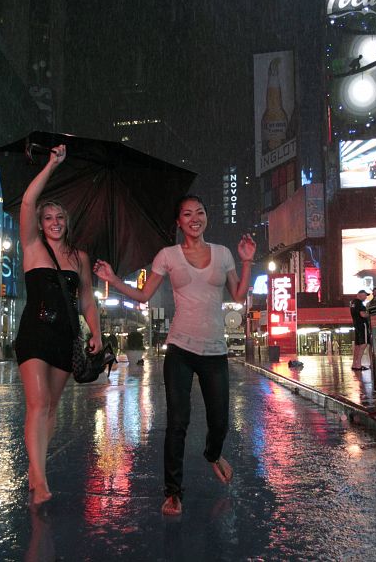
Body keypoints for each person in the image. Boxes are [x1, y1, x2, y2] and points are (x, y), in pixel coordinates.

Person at [93, 195, 256, 517]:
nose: (194, 218)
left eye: (200, 212)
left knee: (220, 421)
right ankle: (173, 493)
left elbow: (237, 295)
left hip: (215, 351)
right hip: (180, 347)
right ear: (178, 222)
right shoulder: (167, 256)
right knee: (178, 422)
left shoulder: (223, 254)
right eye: (187, 214)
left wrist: (248, 260)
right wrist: (112, 280)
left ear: (206, 217)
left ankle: (213, 454)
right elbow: (143, 294)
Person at [15, 144, 102, 506]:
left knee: (50, 407)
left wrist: (94, 331)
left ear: (67, 222)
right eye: (48, 217)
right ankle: (39, 477)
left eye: (59, 218)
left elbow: (87, 300)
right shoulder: (32, 244)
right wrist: (52, 164)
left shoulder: (79, 257)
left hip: (65, 337)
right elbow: (26, 203)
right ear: (41, 222)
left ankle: (37, 467)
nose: (53, 222)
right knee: (36, 404)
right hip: (34, 333)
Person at [350, 289, 370, 371]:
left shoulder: (353, 303)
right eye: (365, 295)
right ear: (360, 295)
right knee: (364, 343)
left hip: (356, 324)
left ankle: (354, 364)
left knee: (357, 345)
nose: (366, 297)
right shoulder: (360, 303)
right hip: (362, 325)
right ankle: (358, 364)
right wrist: (370, 314)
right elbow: (363, 314)